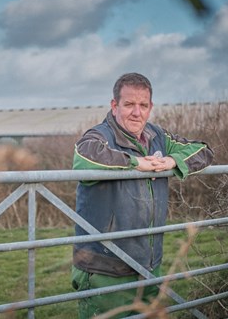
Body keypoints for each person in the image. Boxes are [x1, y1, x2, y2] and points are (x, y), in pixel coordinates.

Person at [71, 72, 214, 318]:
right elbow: (85, 158)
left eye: (143, 105)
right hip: (105, 269)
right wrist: (137, 163)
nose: (137, 112)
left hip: (148, 266)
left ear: (150, 108)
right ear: (114, 105)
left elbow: (203, 150)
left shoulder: (157, 136)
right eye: (129, 104)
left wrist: (172, 160)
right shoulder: (99, 136)